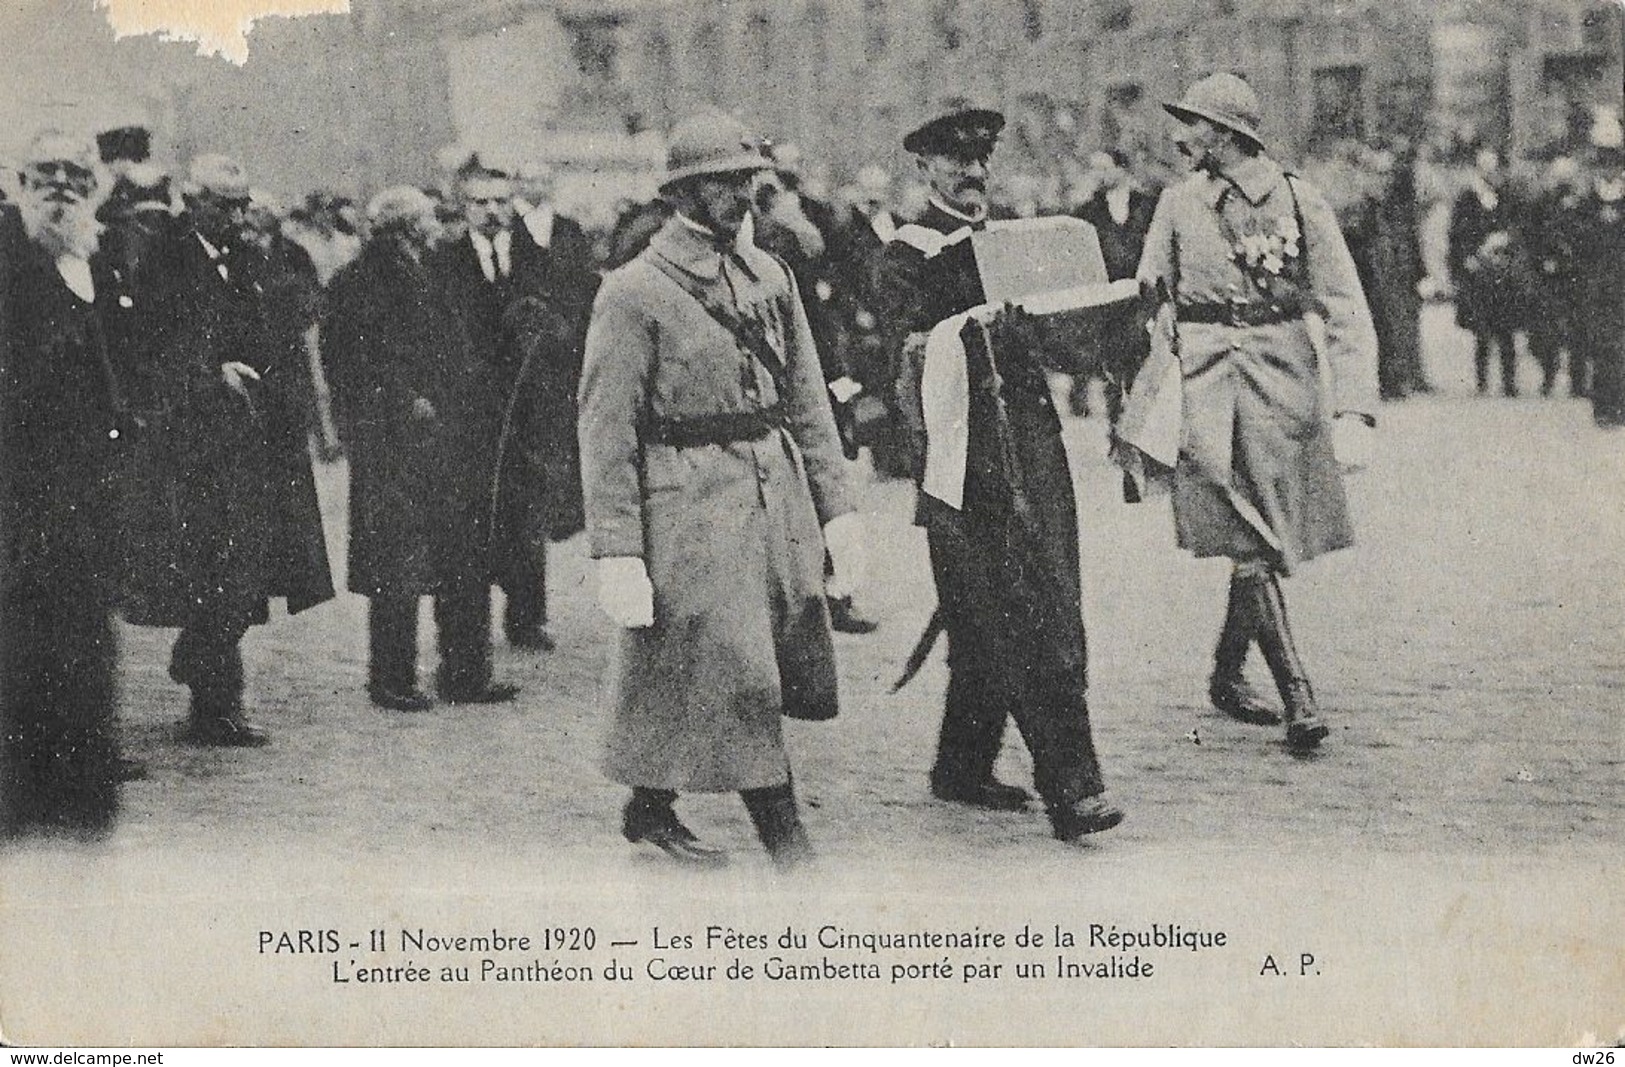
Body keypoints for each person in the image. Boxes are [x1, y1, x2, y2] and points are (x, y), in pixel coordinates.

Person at [578, 111, 865, 869]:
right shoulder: (633, 291)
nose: (743, 195)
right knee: (739, 669)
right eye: (724, 183)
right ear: (682, 193)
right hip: (688, 502)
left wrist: (837, 511)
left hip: (774, 493)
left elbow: (805, 397)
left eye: (747, 180)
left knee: (708, 661)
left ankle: (648, 806)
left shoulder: (770, 276)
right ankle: (788, 844)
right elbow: (606, 431)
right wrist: (617, 551)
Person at [876, 107, 1124, 840]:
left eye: (981, 162)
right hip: (963, 454)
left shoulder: (1017, 241)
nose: (974, 174)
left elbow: (1062, 343)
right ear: (924, 169)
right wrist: (987, 327)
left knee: (999, 603)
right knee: (1025, 608)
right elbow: (908, 354)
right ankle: (1072, 788)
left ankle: (960, 766)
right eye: (957, 164)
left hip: (1031, 440)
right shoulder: (907, 254)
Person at [1122, 73, 1379, 750]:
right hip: (1203, 384)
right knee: (1249, 537)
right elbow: (1149, 301)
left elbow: (1345, 306)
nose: (1182, 137)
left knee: (1261, 537)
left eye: (1196, 125)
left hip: (1281, 382)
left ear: (1229, 133)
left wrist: (1355, 409)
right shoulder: (1177, 204)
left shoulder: (1298, 200)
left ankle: (1225, 673)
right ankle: (1298, 694)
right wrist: (1142, 395)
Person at [118, 154, 335, 746]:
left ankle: (201, 664)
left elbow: (271, 331)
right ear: (193, 201)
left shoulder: (247, 260)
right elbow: (149, 347)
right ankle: (215, 704)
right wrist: (211, 373)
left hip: (252, 443)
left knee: (245, 573)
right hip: (192, 449)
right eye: (223, 203)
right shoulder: (162, 260)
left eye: (242, 203)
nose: (237, 214)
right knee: (218, 574)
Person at [323, 186, 520, 710]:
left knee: (458, 556)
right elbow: (352, 364)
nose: (439, 225)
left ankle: (462, 672)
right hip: (394, 445)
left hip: (446, 439)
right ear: (407, 228)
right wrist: (406, 400)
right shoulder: (361, 282)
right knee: (399, 563)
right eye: (430, 219)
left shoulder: (433, 272)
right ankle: (394, 679)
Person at [0, 131, 128, 835]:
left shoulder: (94, 260)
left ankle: (75, 785)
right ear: (19, 183)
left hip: (84, 494)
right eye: (44, 173)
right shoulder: (9, 258)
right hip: (20, 492)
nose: (60, 186)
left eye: (75, 175)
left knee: (81, 639)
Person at [438, 159, 573, 654]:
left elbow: (566, 321)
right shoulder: (444, 263)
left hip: (527, 412)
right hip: (470, 418)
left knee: (526, 516)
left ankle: (527, 616)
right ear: (463, 207)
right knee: (473, 518)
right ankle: (468, 629)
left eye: (500, 201)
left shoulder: (536, 258)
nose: (491, 212)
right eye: (480, 203)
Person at [1070, 149, 1158, 426]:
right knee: (1113, 372)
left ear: (1122, 169)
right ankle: (1116, 433)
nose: (1099, 175)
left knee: (1146, 369)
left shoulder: (1148, 205)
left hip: (1143, 299)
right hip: (1107, 303)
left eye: (1104, 168)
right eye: (1094, 169)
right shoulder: (1088, 211)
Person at [1447, 147, 1530, 397]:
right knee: (1481, 329)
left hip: (1502, 270)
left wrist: (1504, 240)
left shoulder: (1505, 196)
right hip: (1478, 270)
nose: (1491, 174)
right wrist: (1468, 258)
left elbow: (1517, 227)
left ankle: (1509, 381)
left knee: (1506, 328)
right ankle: (1482, 381)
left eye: (1494, 169)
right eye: (1486, 169)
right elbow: (1457, 235)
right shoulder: (1467, 198)